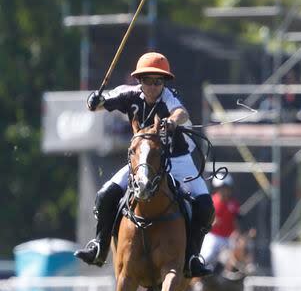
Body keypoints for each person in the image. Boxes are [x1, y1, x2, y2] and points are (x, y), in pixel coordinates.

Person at [73, 52, 215, 277]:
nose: (153, 86)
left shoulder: (169, 97)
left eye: (158, 81)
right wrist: (93, 100)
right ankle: (99, 247)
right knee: (105, 195)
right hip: (143, 162)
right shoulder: (129, 94)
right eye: (148, 80)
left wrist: (171, 121)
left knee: (206, 205)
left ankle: (191, 258)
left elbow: (182, 113)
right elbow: (101, 102)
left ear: (164, 83)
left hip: (177, 159)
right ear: (139, 80)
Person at [200, 175, 241, 268]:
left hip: (228, 239)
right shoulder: (211, 201)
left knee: (237, 258)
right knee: (206, 256)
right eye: (222, 188)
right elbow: (204, 222)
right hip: (213, 237)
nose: (225, 191)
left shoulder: (233, 204)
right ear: (218, 189)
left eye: (227, 188)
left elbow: (236, 222)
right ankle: (197, 279)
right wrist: (212, 222)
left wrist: (237, 233)